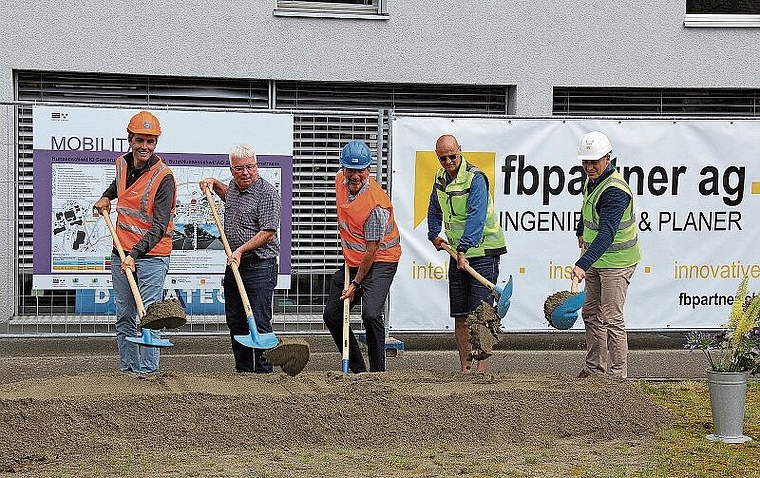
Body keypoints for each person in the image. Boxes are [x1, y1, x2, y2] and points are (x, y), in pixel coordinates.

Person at [94, 111, 176, 374]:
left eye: (150, 141)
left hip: (152, 255)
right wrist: (107, 196)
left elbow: (160, 226)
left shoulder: (164, 178)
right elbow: (119, 185)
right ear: (130, 139)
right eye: (140, 140)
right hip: (122, 252)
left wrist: (135, 253)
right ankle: (128, 371)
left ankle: (148, 372)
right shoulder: (121, 163)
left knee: (149, 315)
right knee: (125, 315)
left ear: (156, 144)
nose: (145, 146)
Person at [427, 134, 507, 373]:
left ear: (460, 150)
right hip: (457, 254)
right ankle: (466, 369)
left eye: (452, 156)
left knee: (481, 315)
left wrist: (464, 248)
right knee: (461, 315)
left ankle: (481, 371)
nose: (449, 161)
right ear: (437, 157)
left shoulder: (476, 178)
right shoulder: (440, 178)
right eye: (443, 158)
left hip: (484, 252)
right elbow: (434, 208)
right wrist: (434, 233)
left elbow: (476, 215)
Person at [199, 144, 281, 373]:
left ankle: (264, 373)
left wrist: (241, 250)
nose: (245, 173)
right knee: (236, 319)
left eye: (250, 167)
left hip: (259, 266)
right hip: (236, 266)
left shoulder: (267, 194)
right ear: (232, 169)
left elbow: (268, 232)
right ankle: (243, 370)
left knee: (260, 321)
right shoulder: (234, 187)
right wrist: (214, 184)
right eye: (239, 168)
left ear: (257, 166)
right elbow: (230, 197)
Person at [322, 140, 401, 373]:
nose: (354, 176)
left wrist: (355, 284)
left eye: (360, 170)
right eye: (350, 170)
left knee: (371, 314)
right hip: (353, 260)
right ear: (343, 169)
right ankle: (357, 368)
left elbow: (372, 250)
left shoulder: (375, 204)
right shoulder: (340, 181)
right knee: (332, 314)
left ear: (369, 170)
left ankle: (377, 374)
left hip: (381, 260)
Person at [572, 131, 640, 379]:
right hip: (596, 259)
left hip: (616, 262)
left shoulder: (615, 191)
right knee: (590, 313)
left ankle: (617, 377)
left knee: (611, 318)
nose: (588, 167)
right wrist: (580, 229)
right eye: (585, 162)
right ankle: (595, 369)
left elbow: (607, 234)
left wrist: (582, 264)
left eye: (594, 161)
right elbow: (587, 208)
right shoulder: (592, 181)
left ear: (608, 158)